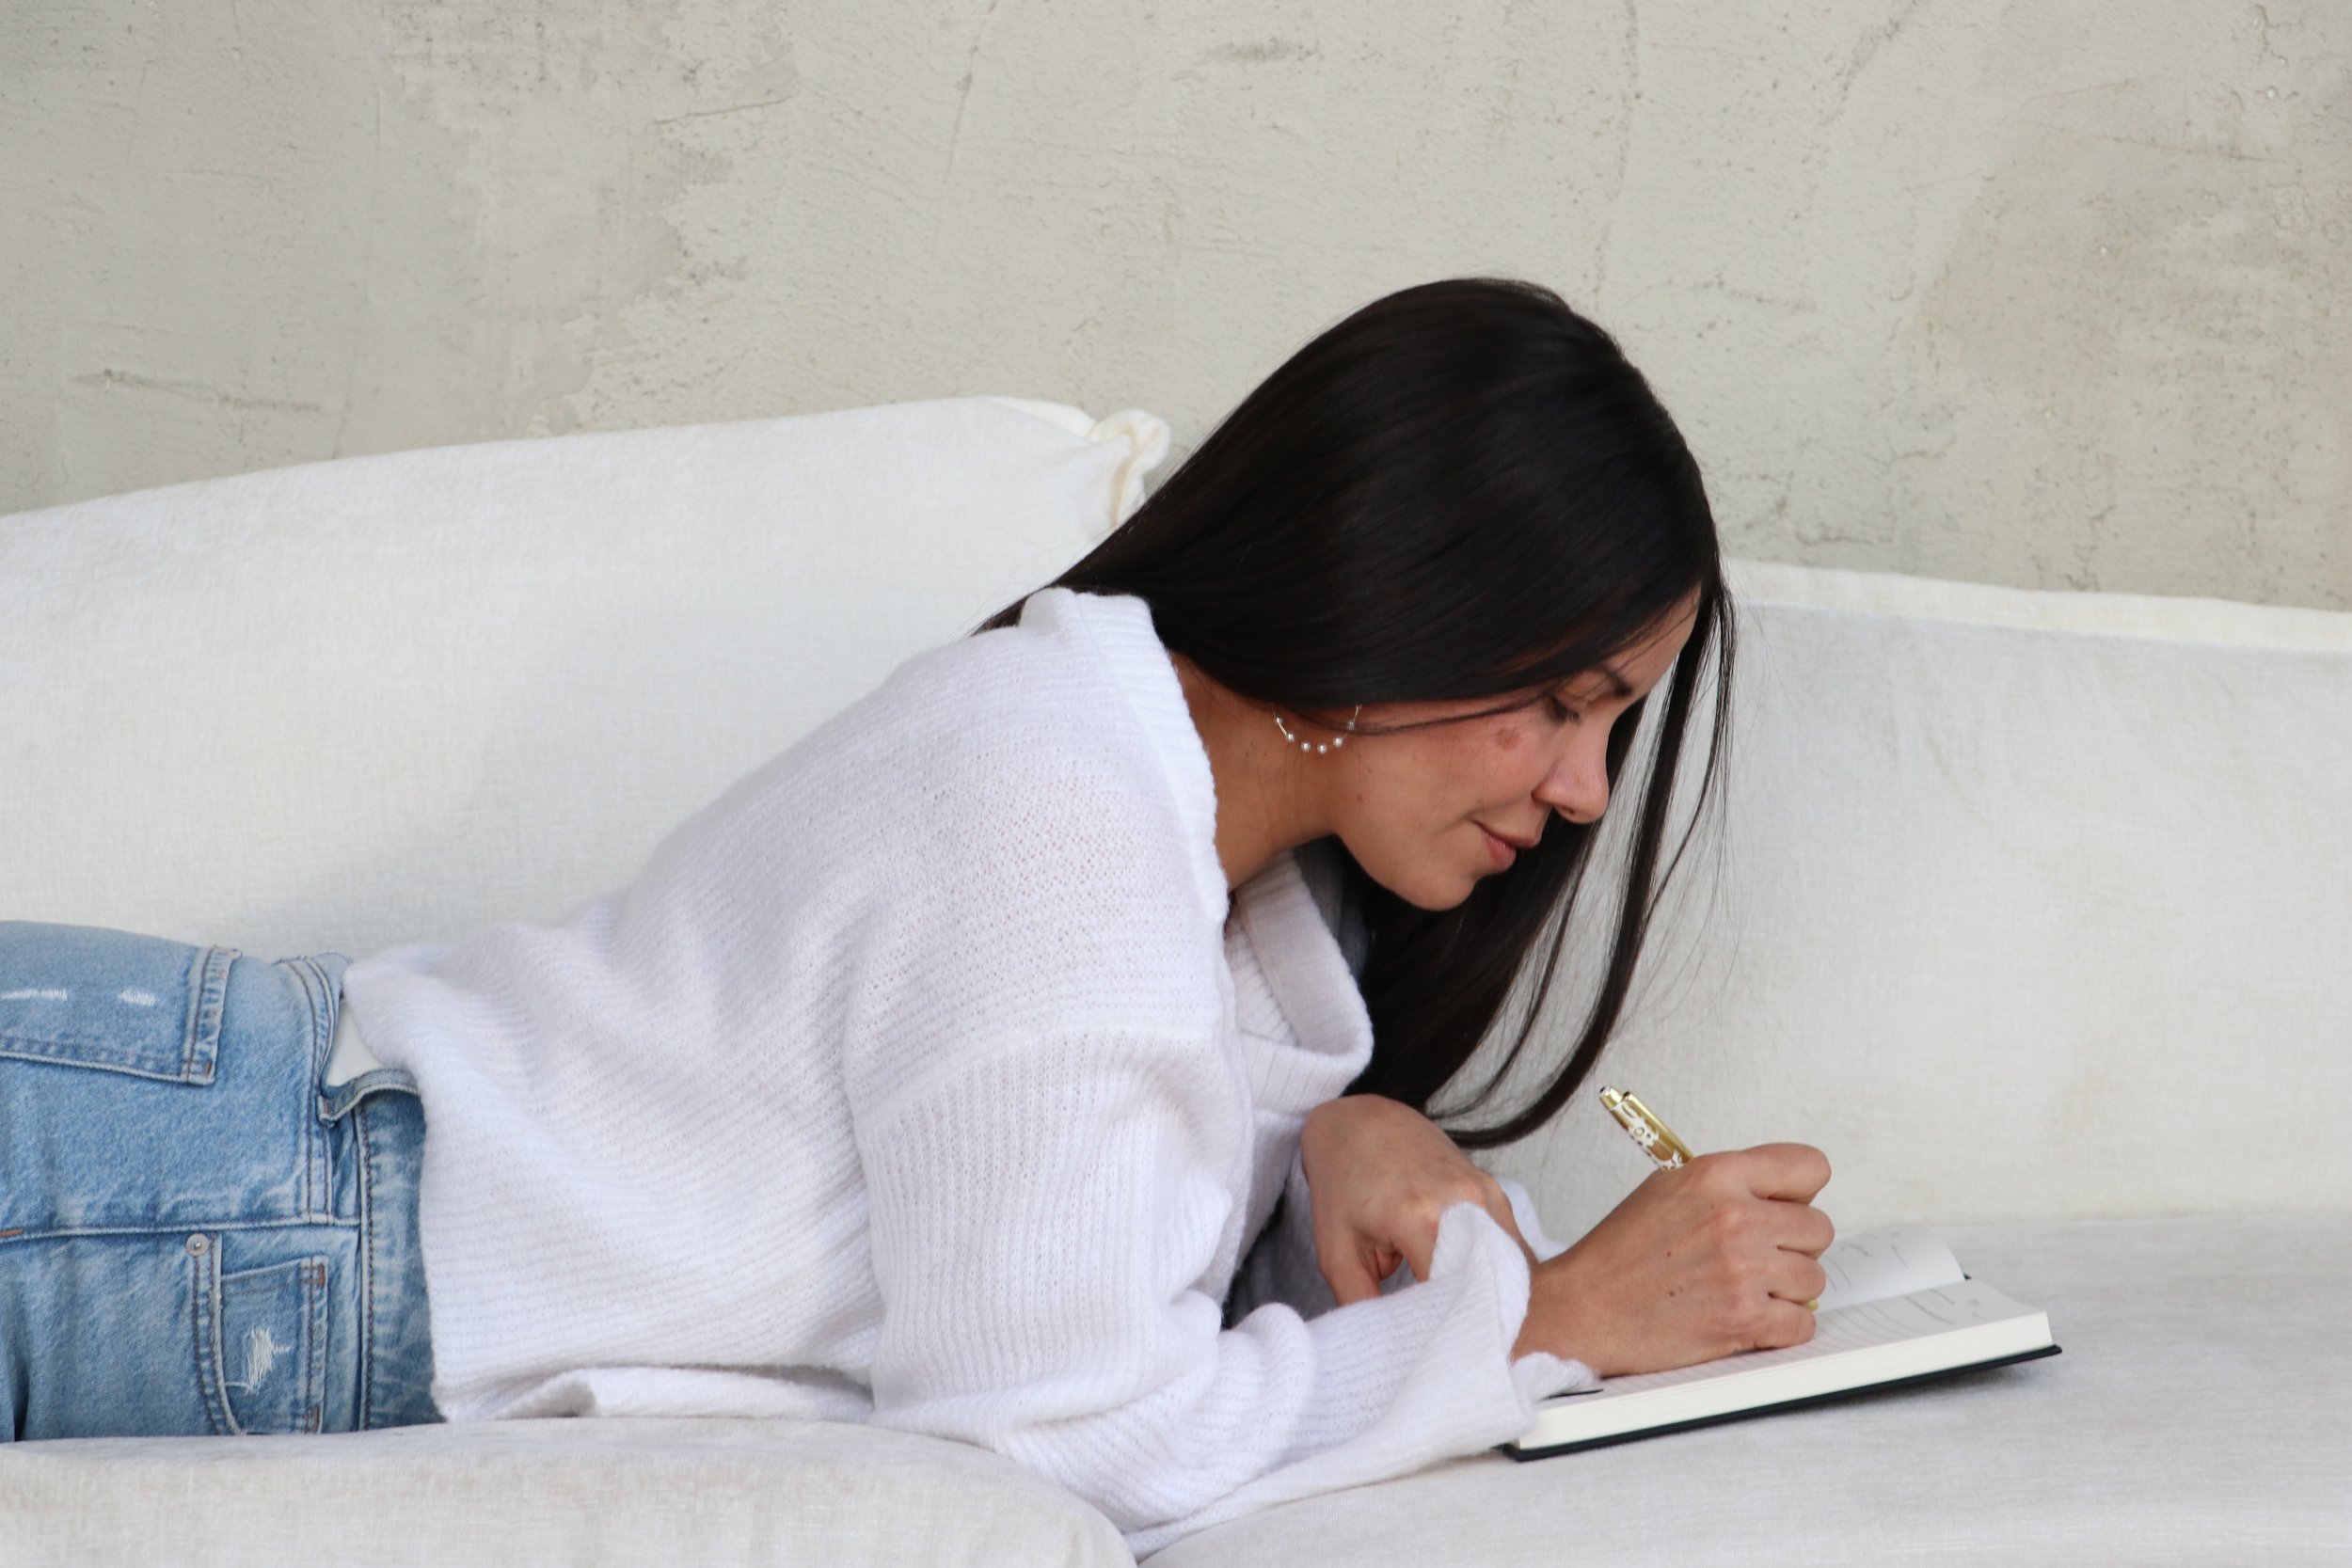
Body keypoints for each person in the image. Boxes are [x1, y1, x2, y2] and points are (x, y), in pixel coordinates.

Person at [0, 277, 1832, 1552]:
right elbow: (1053, 1442)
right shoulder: (1057, 820)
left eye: (1613, 725)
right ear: (1403, 600)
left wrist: (1341, 1142)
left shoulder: (1183, 854)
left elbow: (1074, 1237)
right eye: (1566, 703)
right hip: (206, 1191)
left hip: (234, 1173)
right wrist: (1546, 1325)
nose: (1579, 792)